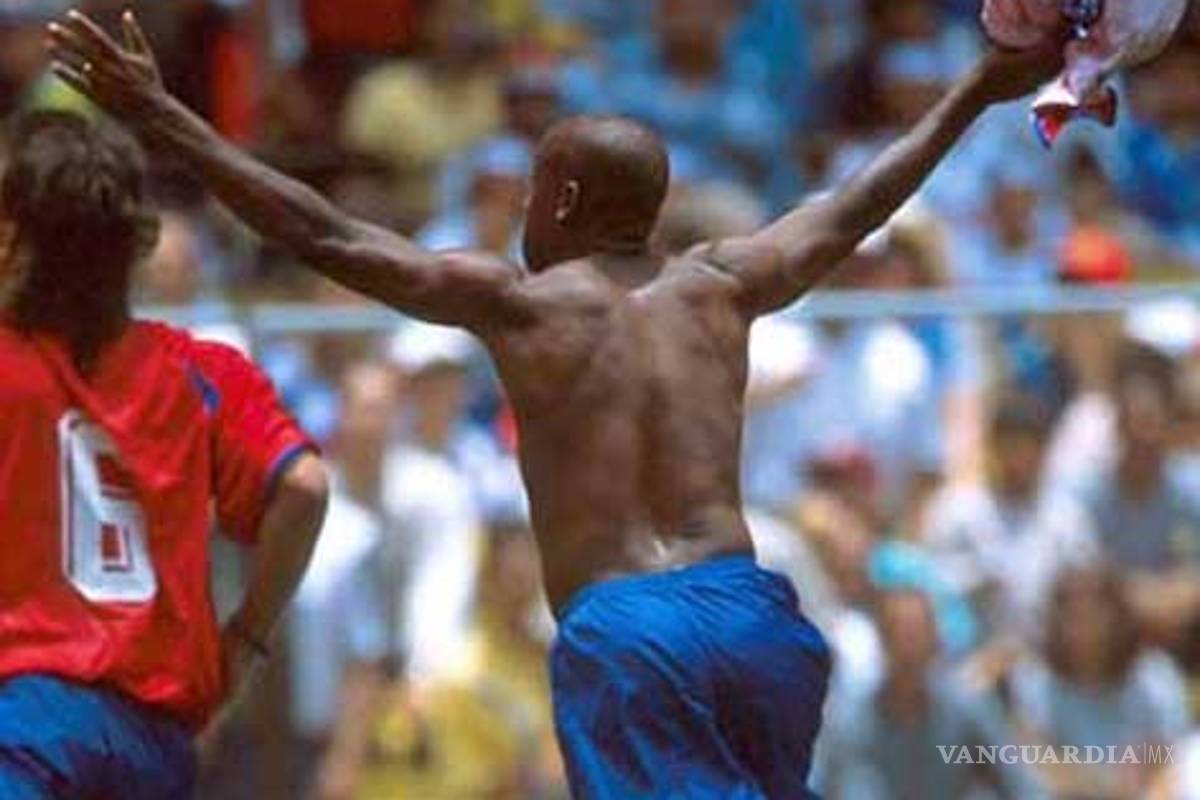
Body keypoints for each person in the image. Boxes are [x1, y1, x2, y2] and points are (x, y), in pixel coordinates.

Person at [48, 10, 1066, 796]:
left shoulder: (525, 308)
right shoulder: (724, 282)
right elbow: (857, 204)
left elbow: (325, 234)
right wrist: (978, 85)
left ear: (566, 204)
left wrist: (160, 115)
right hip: (757, 615)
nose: (525, 210)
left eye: (536, 190)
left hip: (630, 630)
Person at [0, 110, 328, 798]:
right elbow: (304, 487)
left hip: (20, 724)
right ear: (131, 245)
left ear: (14, 236)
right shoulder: (200, 370)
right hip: (153, 740)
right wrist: (247, 639)